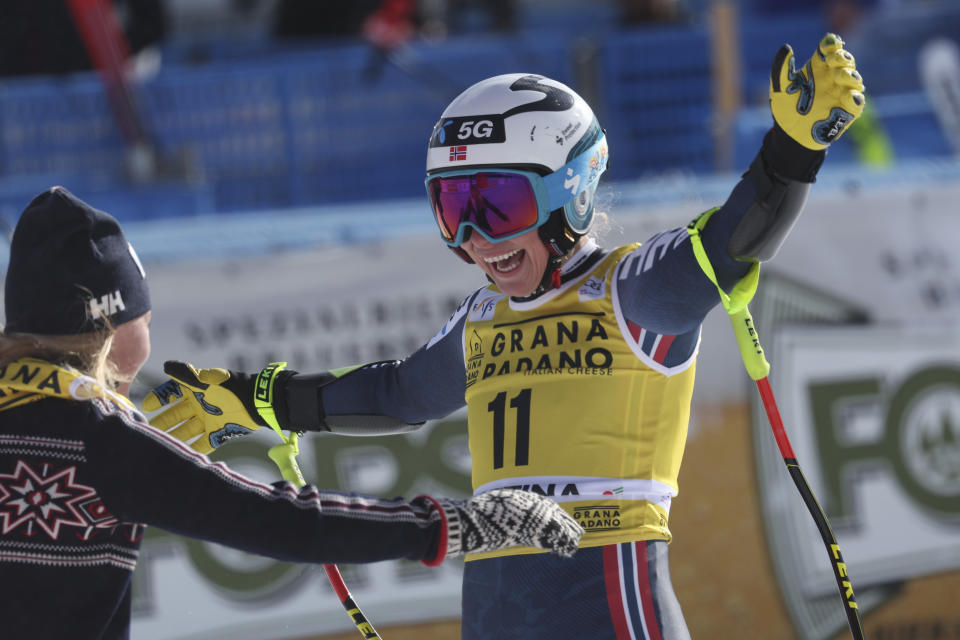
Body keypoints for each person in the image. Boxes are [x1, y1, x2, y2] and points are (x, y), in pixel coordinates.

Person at [145, 34, 865, 639]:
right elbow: (398, 394)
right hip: (495, 605)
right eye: (453, 205)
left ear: (573, 192)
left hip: (606, 597)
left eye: (500, 203)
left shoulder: (633, 289)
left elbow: (735, 240)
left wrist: (793, 152)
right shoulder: (484, 316)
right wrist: (259, 398)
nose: (475, 237)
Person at [0, 187, 583, 640]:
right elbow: (275, 519)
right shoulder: (97, 434)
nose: (146, 341)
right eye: (144, 323)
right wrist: (457, 524)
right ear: (108, 327)